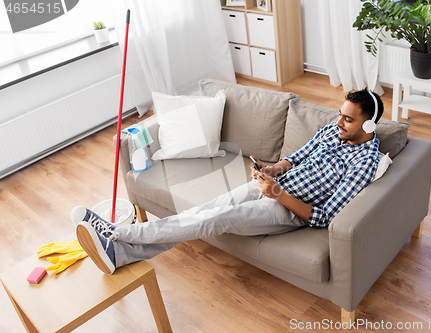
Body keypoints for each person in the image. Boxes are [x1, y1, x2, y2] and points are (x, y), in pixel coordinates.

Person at [75, 88, 384, 275]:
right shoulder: (333, 130)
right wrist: (273, 169)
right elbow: (299, 156)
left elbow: (324, 217)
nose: (338, 122)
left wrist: (277, 194)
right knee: (202, 211)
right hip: (270, 186)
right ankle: (121, 253)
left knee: (215, 218)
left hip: (287, 210)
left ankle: (119, 233)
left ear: (369, 123)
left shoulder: (364, 162)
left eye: (348, 119)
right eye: (340, 114)